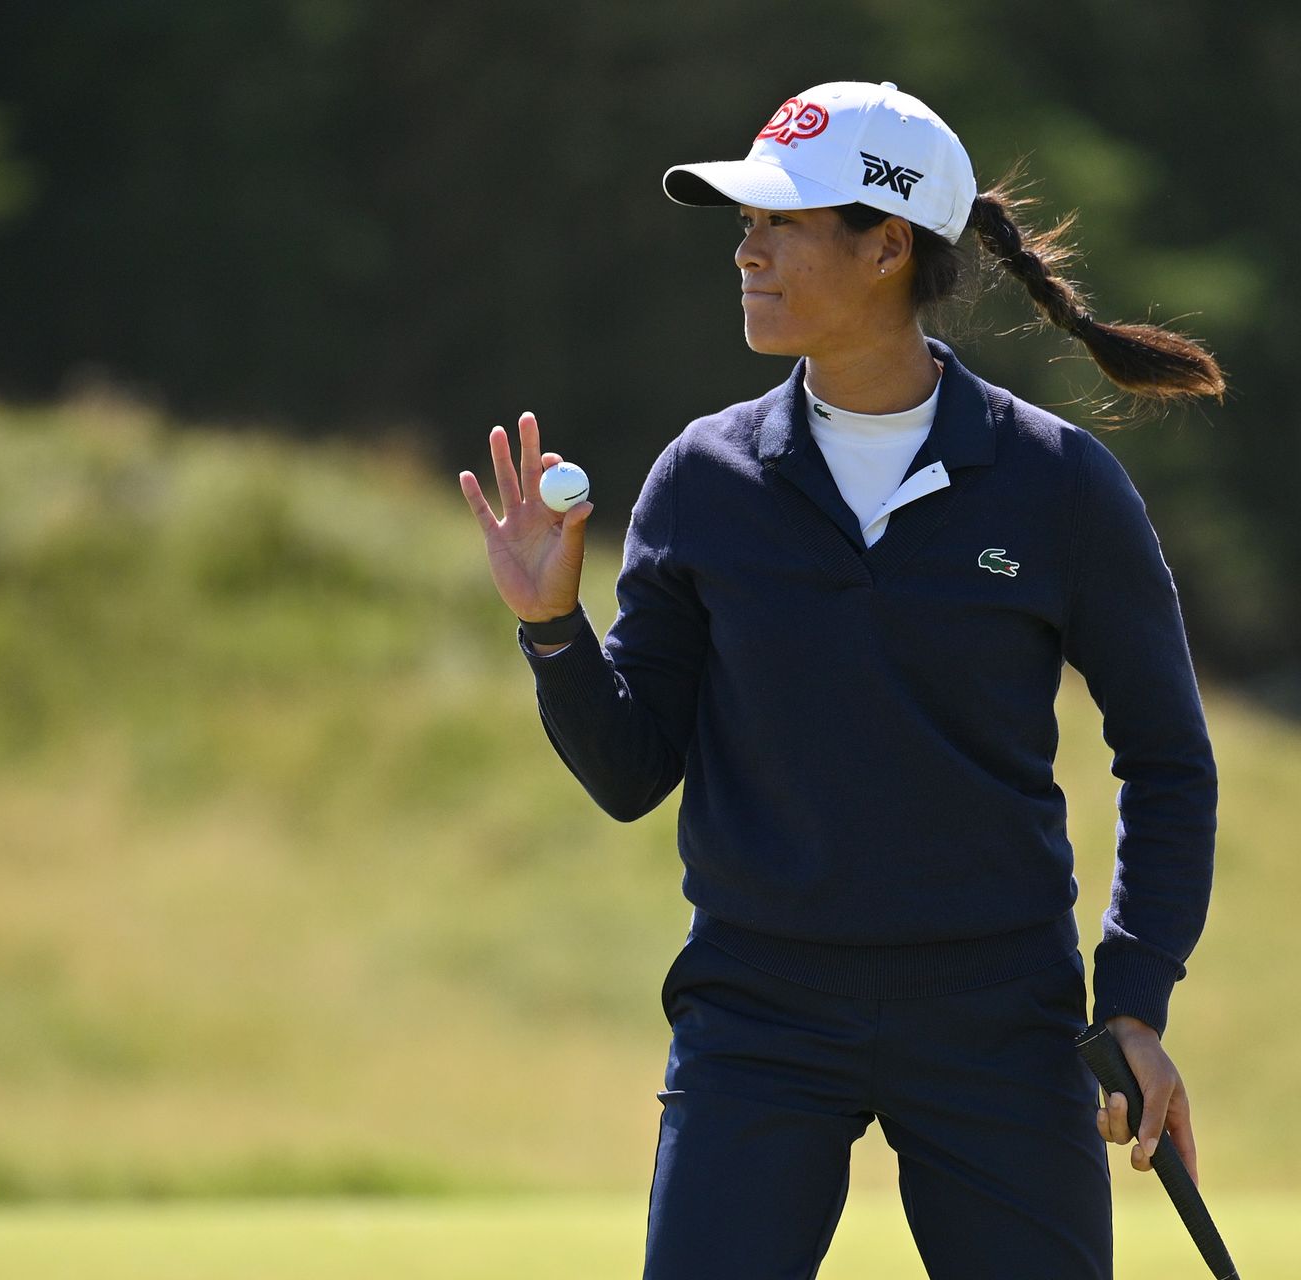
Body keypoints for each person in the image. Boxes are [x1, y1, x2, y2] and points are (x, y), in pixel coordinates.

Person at [458, 80, 1224, 1280]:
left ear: (886, 247)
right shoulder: (702, 480)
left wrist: (1134, 999)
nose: (745, 248)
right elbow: (630, 771)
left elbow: (1169, 760)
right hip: (759, 1008)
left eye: (779, 222)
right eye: (745, 222)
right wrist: (553, 626)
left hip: (999, 1012)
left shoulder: (1059, 485)